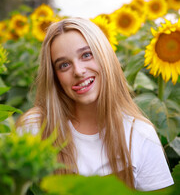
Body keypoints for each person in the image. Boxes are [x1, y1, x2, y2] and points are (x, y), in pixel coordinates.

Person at [17, 17, 174, 191]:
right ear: (54, 76)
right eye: (64, 65)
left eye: (86, 55)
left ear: (104, 57)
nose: (78, 71)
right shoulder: (34, 128)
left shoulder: (138, 134)